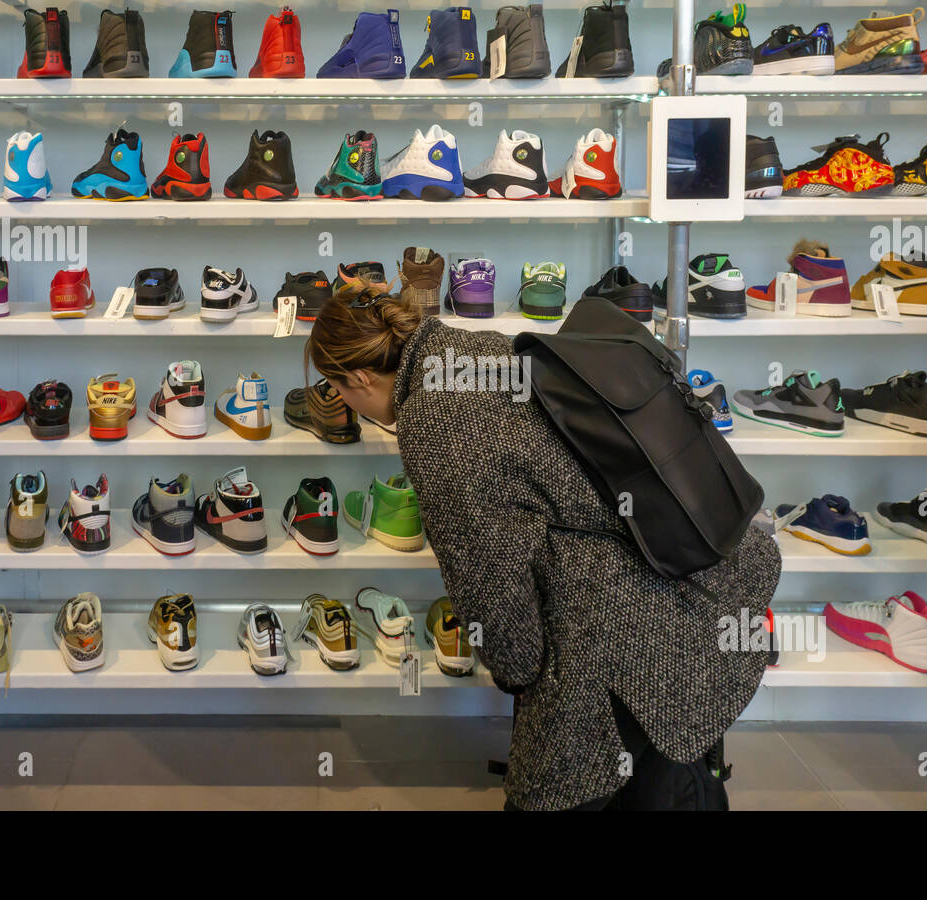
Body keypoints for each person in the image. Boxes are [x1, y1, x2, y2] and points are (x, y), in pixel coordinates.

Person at [306, 285, 780, 810]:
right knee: (669, 781)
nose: (343, 405)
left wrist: (520, 673)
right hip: (688, 583)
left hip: (617, 628)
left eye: (336, 390)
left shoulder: (431, 420)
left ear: (359, 378)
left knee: (565, 790)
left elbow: (490, 579)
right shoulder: (473, 349)